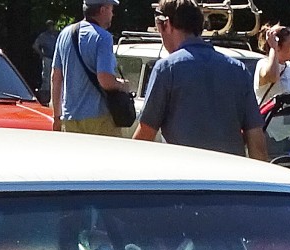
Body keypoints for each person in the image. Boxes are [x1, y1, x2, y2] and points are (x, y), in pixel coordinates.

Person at [133, 0, 267, 158]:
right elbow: (256, 141)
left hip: (185, 176)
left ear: (166, 24)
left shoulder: (166, 69)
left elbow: (145, 136)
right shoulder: (238, 69)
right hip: (230, 176)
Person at [51, 0, 125, 137]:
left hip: (70, 118)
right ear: (102, 10)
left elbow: (56, 77)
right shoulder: (103, 38)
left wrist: (56, 116)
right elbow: (105, 80)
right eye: (111, 9)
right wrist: (122, 85)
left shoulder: (65, 34)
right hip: (99, 118)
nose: (112, 14)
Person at [253, 22, 290, 107]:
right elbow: (273, 76)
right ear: (278, 47)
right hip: (271, 120)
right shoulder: (263, 64)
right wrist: (273, 47)